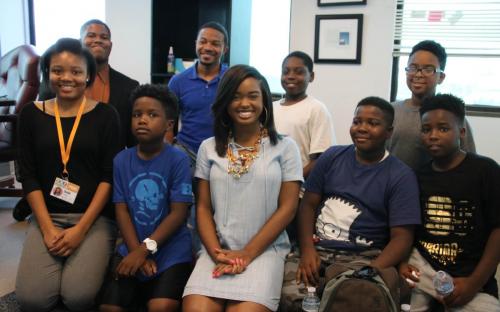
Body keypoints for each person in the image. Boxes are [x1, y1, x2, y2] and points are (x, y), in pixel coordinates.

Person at [280, 96, 421, 311]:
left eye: (373, 123)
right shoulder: (332, 156)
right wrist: (307, 250)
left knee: (355, 300)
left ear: (389, 132)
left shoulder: (401, 175)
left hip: (363, 258)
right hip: (317, 249)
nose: (362, 128)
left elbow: (402, 237)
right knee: (293, 302)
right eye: (357, 121)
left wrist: (371, 270)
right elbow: (307, 205)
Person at [182, 65, 303, 312]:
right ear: (225, 102)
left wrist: (247, 253)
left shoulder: (285, 147)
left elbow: (288, 208)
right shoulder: (208, 147)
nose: (244, 103)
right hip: (218, 250)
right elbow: (203, 207)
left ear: (265, 101)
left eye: (252, 96)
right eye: (235, 96)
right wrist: (216, 253)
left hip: (264, 251)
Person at [15, 38, 121, 312]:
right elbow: (28, 175)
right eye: (58, 70)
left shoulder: (106, 115)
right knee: (33, 300)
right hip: (45, 217)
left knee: (78, 298)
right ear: (47, 73)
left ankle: (101, 257)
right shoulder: (30, 115)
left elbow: (108, 178)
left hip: (93, 219)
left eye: (76, 71)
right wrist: (48, 229)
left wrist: (81, 229)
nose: (66, 78)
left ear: (88, 75)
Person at [13, 19, 139, 222]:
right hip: (56, 170)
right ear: (79, 41)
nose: (98, 40)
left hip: (102, 172)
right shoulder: (54, 85)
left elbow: (132, 140)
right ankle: (37, 200)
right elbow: (40, 130)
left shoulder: (129, 87)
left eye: (104, 37)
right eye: (91, 35)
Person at [398, 94, 500, 312]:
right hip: (424, 272)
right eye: (426, 130)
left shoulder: (485, 171)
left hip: (471, 277)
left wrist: (474, 283)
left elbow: (498, 231)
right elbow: (409, 230)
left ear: (461, 133)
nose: (433, 136)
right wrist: (402, 264)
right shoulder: (416, 176)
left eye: (443, 129)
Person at [99, 84, 193, 312]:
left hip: (171, 249)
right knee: (108, 307)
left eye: (152, 115)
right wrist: (135, 252)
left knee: (160, 306)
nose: (142, 120)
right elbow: (121, 210)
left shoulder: (178, 159)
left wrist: (145, 250)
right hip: (132, 246)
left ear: (169, 125)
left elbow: (179, 213)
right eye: (137, 114)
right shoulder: (121, 160)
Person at [387, 40, 475, 170]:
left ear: (441, 77)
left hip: (435, 188)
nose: (418, 74)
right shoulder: (390, 111)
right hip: (393, 186)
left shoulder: (451, 116)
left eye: (428, 69)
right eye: (413, 68)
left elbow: (470, 162)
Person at [168, 21, 229, 160]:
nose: (207, 47)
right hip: (186, 151)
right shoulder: (178, 81)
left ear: (225, 49)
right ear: (196, 44)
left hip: (223, 152)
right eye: (203, 42)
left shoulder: (233, 79)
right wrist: (167, 153)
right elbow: (167, 121)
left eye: (215, 44)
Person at [273, 51, 335, 179]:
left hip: (299, 185)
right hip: (270, 183)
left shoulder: (316, 109)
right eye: (286, 72)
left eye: (299, 72)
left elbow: (321, 159)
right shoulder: (271, 108)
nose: (290, 76)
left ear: (311, 76)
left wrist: (292, 180)